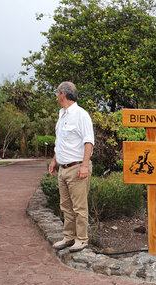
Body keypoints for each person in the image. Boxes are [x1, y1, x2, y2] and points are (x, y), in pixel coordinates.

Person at [49, 82, 94, 252]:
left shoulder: (81, 115)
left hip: (77, 168)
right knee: (66, 206)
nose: (57, 95)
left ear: (63, 94)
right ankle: (69, 237)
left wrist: (84, 166)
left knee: (79, 207)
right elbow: (60, 142)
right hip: (63, 168)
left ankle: (81, 239)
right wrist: (54, 161)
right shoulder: (62, 114)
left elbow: (89, 141)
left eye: (57, 92)